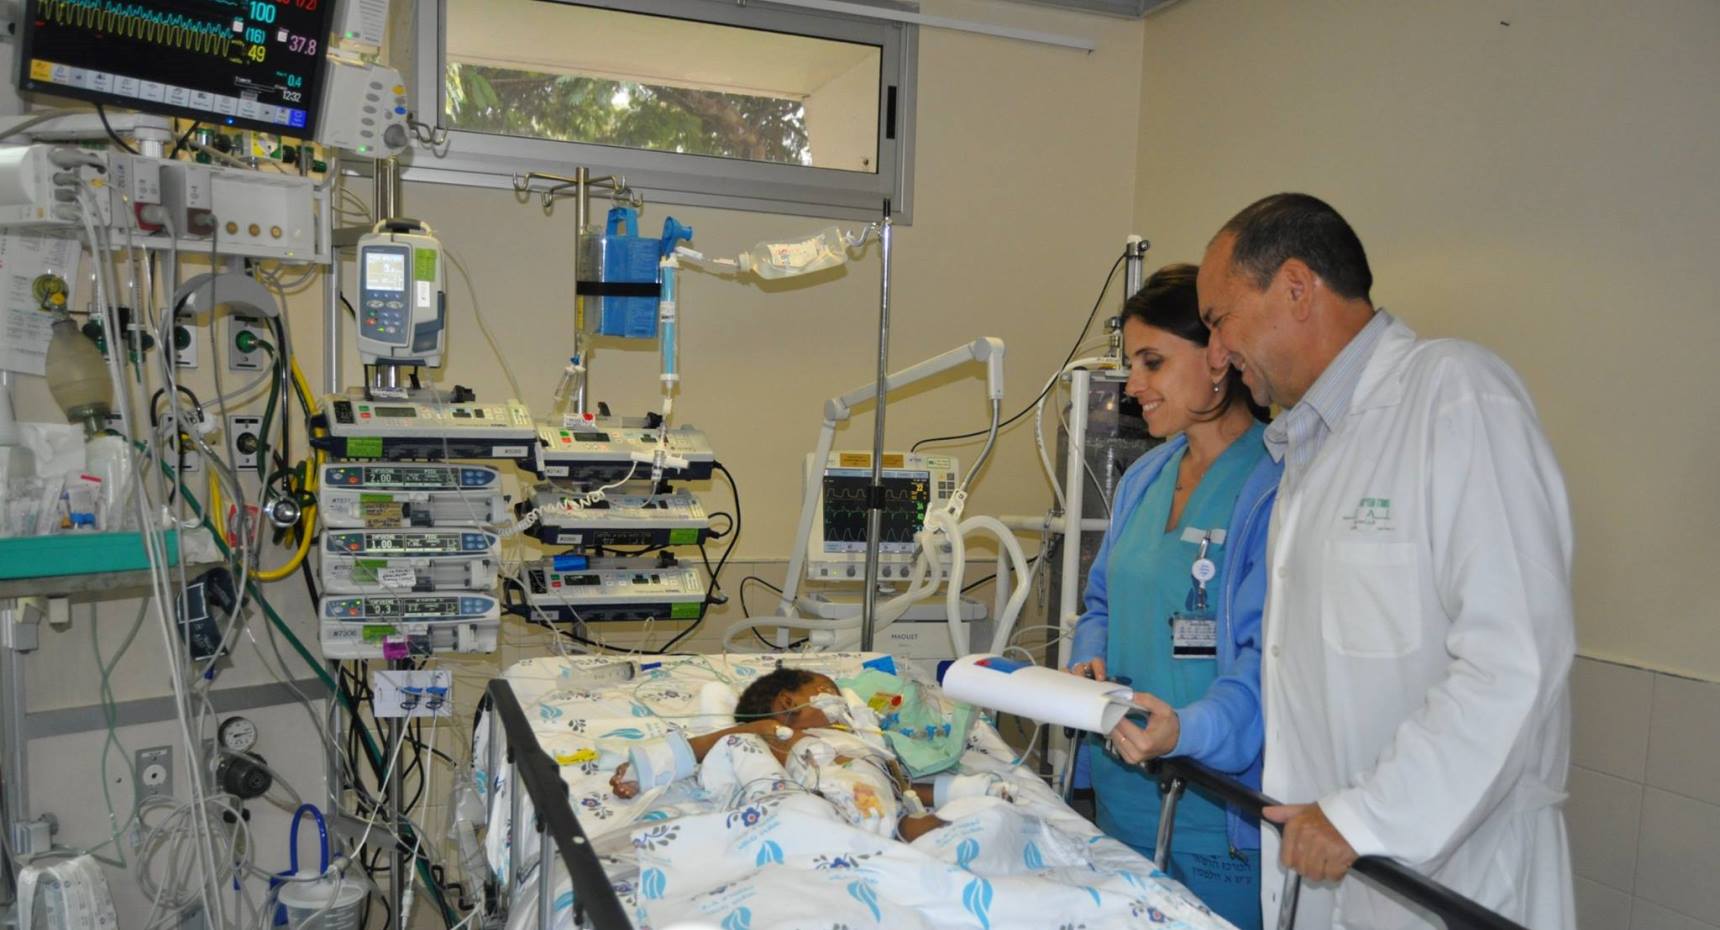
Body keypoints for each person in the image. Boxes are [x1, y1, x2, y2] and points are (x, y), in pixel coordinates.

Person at [1196, 193, 1575, 928]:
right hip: (1332, 874)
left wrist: (1366, 817)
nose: (1216, 355)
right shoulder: (1306, 452)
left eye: (1219, 321)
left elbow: (1516, 656)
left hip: (1453, 881)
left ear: (1297, 288)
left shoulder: (1455, 396)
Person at [1065, 263, 1282, 930]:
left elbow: (1267, 663)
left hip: (1216, 814)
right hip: (1121, 790)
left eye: (1152, 362)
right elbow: (1101, 602)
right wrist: (1088, 660)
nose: (1132, 388)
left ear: (1219, 357)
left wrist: (1185, 730)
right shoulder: (1145, 477)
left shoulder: (1275, 487)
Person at [609, 668, 951, 841]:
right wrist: (646, 765)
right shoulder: (776, 736)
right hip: (814, 811)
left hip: (875, 818)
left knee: (975, 819)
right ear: (788, 704)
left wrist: (957, 791)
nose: (843, 706)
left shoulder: (867, 747)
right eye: (831, 694)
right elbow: (713, 745)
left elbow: (901, 790)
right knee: (735, 747)